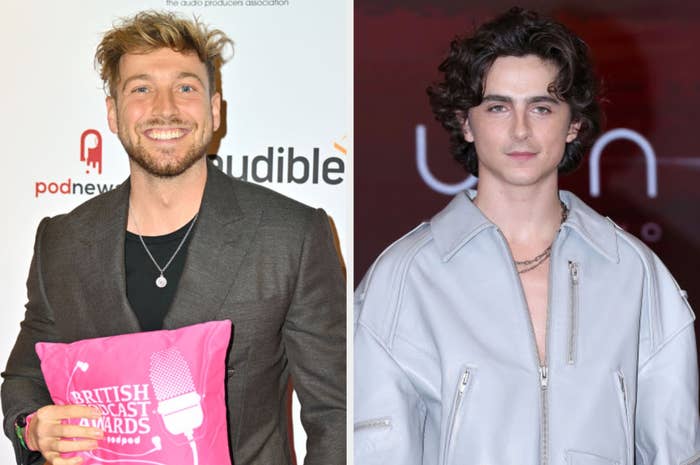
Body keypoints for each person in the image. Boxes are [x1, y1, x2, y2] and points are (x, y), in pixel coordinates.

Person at [354, 7, 699, 465]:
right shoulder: (403, 278)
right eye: (498, 107)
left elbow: (675, 451)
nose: (520, 130)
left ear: (572, 123)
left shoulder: (634, 273)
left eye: (541, 107)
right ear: (466, 123)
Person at [1, 11, 346, 465]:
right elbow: (26, 378)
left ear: (215, 109)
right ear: (113, 113)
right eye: (141, 89)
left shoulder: (291, 236)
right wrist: (33, 428)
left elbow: (336, 412)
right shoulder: (61, 241)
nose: (165, 108)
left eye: (185, 88)